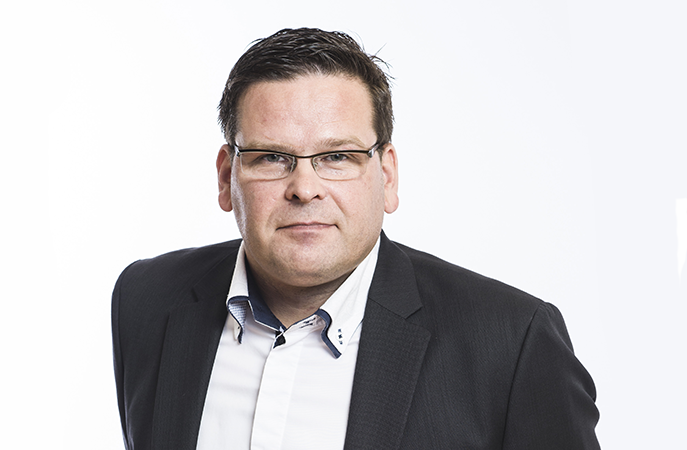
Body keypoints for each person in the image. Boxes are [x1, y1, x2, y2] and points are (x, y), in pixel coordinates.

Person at [111, 28, 599, 449]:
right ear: (226, 177)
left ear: (387, 175)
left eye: (337, 157)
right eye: (272, 157)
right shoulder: (147, 300)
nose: (304, 188)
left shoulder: (511, 343)